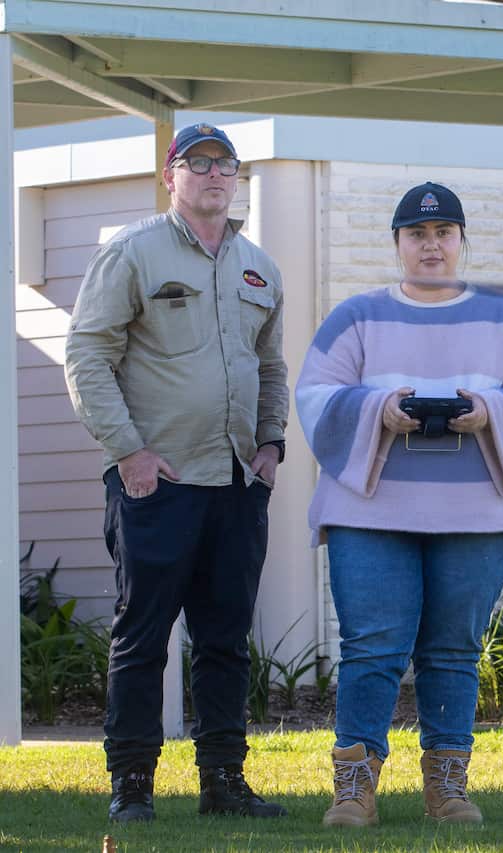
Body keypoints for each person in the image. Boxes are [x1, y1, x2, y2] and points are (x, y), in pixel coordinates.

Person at [295, 181, 503, 828]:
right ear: (397, 243)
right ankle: (354, 789)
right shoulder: (356, 317)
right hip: (371, 511)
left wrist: (489, 411)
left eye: (444, 233)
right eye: (417, 234)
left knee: (452, 650)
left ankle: (447, 787)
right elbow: (314, 395)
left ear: (463, 242)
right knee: (372, 646)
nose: (431, 245)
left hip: (478, 514)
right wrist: (380, 409)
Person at [64, 123, 289, 824]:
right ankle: (131, 783)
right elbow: (86, 355)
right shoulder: (133, 253)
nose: (215, 174)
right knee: (142, 637)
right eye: (199, 162)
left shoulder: (259, 267)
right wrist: (128, 451)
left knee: (224, 639)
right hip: (154, 484)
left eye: (226, 163)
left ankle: (224, 781)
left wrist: (272, 445)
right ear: (172, 175)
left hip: (235, 484)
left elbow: (273, 366)